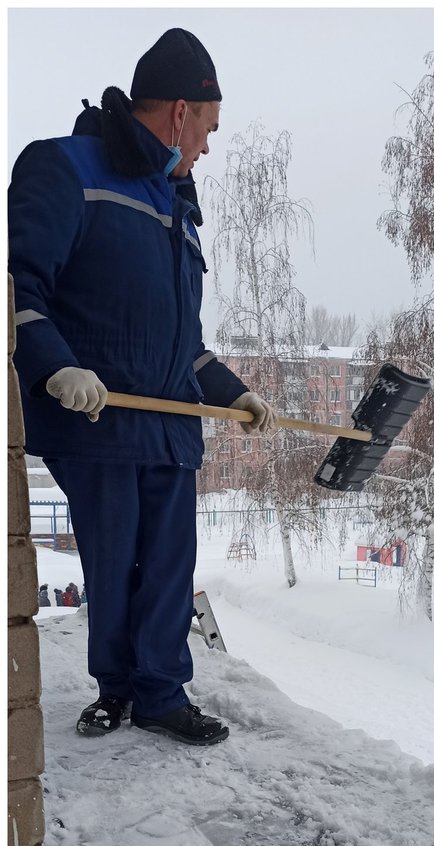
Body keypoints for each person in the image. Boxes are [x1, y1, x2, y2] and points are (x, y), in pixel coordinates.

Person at [9, 29, 277, 745]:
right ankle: (117, 688)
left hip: (167, 425)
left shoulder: (176, 208)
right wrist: (54, 365)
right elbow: (18, 287)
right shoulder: (66, 168)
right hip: (98, 419)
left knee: (166, 566)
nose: (208, 149)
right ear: (181, 112)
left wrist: (234, 394)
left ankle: (159, 694)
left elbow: (182, 345)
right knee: (113, 558)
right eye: (209, 130)